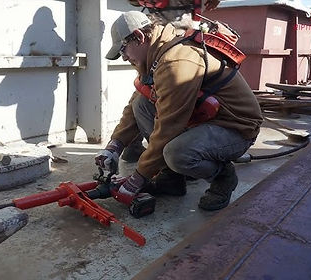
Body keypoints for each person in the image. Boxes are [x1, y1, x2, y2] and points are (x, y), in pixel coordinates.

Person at [95, 11, 262, 211]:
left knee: (176, 154)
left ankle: (223, 177)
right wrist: (115, 145)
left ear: (139, 37)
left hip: (235, 126)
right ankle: (171, 179)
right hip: (205, 121)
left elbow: (169, 127)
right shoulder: (156, 56)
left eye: (123, 50)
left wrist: (139, 176)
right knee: (141, 105)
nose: (124, 58)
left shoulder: (175, 62)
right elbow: (135, 104)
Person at [121, 0, 222, 163]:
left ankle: (172, 157)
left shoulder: (177, 59)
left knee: (160, 93)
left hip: (170, 25)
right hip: (173, 24)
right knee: (146, 90)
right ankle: (164, 158)